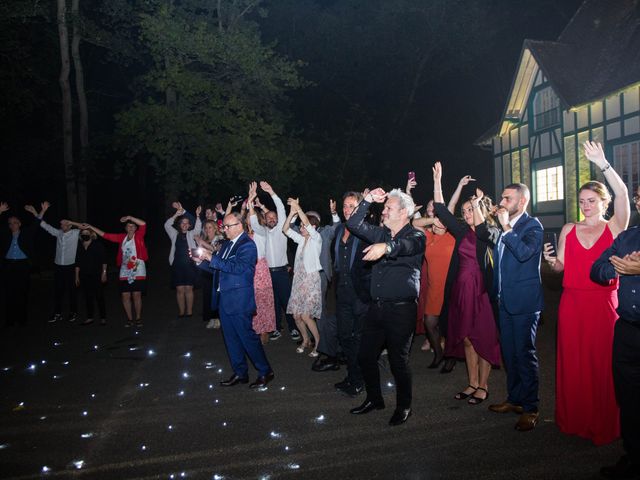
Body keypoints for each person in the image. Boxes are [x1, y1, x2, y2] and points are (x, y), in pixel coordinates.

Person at [543, 141, 628, 445]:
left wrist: (603, 163)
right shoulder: (568, 229)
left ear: (603, 202)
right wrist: (552, 263)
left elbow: (623, 194)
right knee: (575, 363)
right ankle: (576, 419)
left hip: (604, 306)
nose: (586, 205)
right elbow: (559, 269)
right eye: (582, 200)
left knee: (603, 365)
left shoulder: (616, 227)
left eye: (591, 200)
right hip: (572, 305)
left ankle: (604, 421)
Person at [346, 187, 425, 426]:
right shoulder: (382, 234)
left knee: (398, 361)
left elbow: (407, 247)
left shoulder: (416, 235)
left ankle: (404, 407)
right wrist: (368, 199)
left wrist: (387, 248)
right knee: (365, 356)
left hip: (401, 310)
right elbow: (354, 224)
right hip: (377, 308)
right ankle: (374, 398)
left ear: (404, 213)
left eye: (388, 207)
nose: (383, 211)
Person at [432, 163, 501, 405]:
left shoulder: (491, 232)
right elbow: (441, 210)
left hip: (481, 293)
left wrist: (478, 204)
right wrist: (438, 180)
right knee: (468, 340)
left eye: (471, 209)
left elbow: (482, 230)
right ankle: (472, 383)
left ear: (481, 210)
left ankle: (484, 386)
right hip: (462, 292)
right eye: (465, 210)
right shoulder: (461, 232)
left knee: (483, 339)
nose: (467, 213)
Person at [486, 182, 544, 432]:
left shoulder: (533, 226)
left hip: (524, 302)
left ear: (522, 202)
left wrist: (506, 228)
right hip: (504, 299)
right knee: (509, 355)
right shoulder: (502, 226)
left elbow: (523, 253)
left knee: (524, 354)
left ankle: (531, 407)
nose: (502, 203)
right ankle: (515, 400)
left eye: (507, 199)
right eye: (502, 198)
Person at [196, 212, 274, 388]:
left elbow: (240, 268)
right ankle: (240, 373)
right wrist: (201, 261)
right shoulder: (226, 245)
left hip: (239, 300)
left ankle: (265, 371)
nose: (224, 230)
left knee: (248, 338)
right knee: (231, 339)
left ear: (239, 226)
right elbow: (219, 269)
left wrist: (212, 257)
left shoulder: (248, 245)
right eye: (223, 226)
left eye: (227, 226)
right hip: (225, 299)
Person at [591, 226, 640, 479]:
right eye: (639, 197)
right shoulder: (627, 237)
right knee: (629, 398)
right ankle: (633, 456)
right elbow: (597, 269)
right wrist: (618, 267)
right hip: (627, 331)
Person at [331, 191, 373, 396]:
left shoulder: (367, 231)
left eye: (351, 206)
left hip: (361, 294)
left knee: (359, 339)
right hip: (343, 293)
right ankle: (353, 375)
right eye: (344, 206)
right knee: (345, 336)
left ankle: (359, 379)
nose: (346, 210)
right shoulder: (340, 229)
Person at [249, 181, 300, 341]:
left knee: (286, 300)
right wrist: (251, 202)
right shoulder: (262, 232)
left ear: (278, 219)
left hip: (282, 272)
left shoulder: (281, 230)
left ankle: (293, 327)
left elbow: (281, 209)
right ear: (265, 219)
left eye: (274, 217)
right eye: (268, 217)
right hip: (267, 273)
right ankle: (277, 328)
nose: (271, 219)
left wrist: (271, 191)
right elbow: (253, 222)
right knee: (273, 303)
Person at [25, 201, 83, 323]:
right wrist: (36, 212)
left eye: (64, 224)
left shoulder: (75, 233)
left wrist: (72, 222)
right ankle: (57, 313)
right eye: (61, 224)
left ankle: (73, 312)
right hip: (58, 266)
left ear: (69, 225)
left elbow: (85, 227)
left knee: (71, 290)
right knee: (58, 290)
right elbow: (43, 225)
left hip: (70, 266)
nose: (62, 226)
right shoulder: (58, 233)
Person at [87, 216, 148, 327]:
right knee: (125, 296)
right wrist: (91, 227)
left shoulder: (138, 236)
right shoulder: (121, 238)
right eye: (128, 226)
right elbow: (105, 235)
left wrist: (130, 217)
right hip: (125, 270)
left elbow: (143, 224)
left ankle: (138, 318)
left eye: (133, 226)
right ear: (125, 228)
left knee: (136, 295)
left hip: (137, 268)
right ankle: (129, 319)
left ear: (135, 228)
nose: (130, 227)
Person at [283, 197, 323, 356]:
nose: (301, 228)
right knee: (296, 315)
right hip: (298, 281)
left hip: (311, 281)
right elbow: (285, 229)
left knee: (306, 315)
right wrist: (292, 213)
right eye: (300, 226)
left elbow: (306, 222)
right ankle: (305, 339)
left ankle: (319, 343)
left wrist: (298, 207)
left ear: (313, 227)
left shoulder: (316, 239)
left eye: (303, 226)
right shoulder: (301, 240)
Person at [1, 203, 39, 327]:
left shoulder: (26, 233)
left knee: (22, 293)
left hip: (22, 266)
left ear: (20, 224)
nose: (12, 225)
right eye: (10, 223)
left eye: (15, 222)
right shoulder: (5, 234)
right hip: (9, 265)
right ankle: (10, 320)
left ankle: (22, 319)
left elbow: (36, 225)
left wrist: (35, 212)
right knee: (9, 294)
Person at [247, 183, 276, 344]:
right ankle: (254, 328)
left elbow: (253, 219)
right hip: (249, 269)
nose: (250, 222)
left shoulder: (261, 231)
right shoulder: (247, 234)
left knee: (263, 300)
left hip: (261, 268)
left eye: (252, 220)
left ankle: (264, 330)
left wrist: (252, 202)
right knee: (252, 300)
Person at [165, 202, 202, 318]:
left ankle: (189, 311)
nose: (185, 225)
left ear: (189, 225)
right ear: (180, 224)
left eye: (187, 223)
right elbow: (167, 225)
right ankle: (181, 312)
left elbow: (198, 226)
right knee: (180, 289)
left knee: (189, 288)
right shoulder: (174, 234)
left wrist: (197, 216)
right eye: (183, 223)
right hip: (177, 265)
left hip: (190, 265)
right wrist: (176, 214)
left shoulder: (192, 234)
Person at [75, 228, 107, 325]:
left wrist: (104, 273)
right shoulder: (80, 246)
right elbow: (78, 262)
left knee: (99, 296)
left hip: (96, 274)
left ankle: (103, 317)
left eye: (87, 233)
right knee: (88, 297)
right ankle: (90, 317)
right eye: (83, 233)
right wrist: (76, 276)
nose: (85, 235)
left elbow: (104, 260)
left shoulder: (97, 245)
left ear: (91, 234)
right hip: (84, 275)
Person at [196, 219, 223, 329]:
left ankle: (218, 318)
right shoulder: (205, 239)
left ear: (215, 228)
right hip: (205, 269)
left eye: (210, 227)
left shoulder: (219, 239)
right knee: (207, 294)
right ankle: (211, 317)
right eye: (206, 228)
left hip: (216, 270)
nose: (207, 230)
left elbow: (216, 251)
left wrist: (202, 243)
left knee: (216, 294)